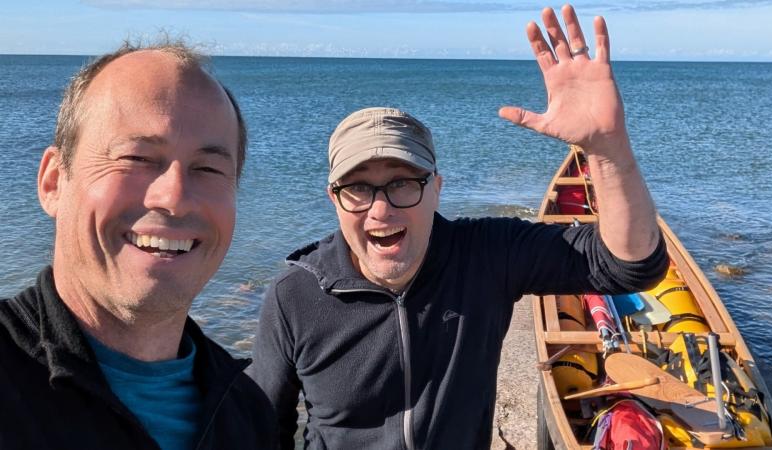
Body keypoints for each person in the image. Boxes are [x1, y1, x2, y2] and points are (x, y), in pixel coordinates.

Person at [250, 5, 668, 449]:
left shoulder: (485, 255)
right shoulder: (296, 294)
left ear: (436, 189)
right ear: (334, 199)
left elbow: (629, 266)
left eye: (402, 183)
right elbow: (259, 429)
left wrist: (605, 147)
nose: (380, 210)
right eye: (357, 189)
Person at [0, 41, 275, 449]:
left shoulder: (247, 412)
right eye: (138, 158)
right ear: (54, 182)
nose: (174, 197)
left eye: (208, 168)